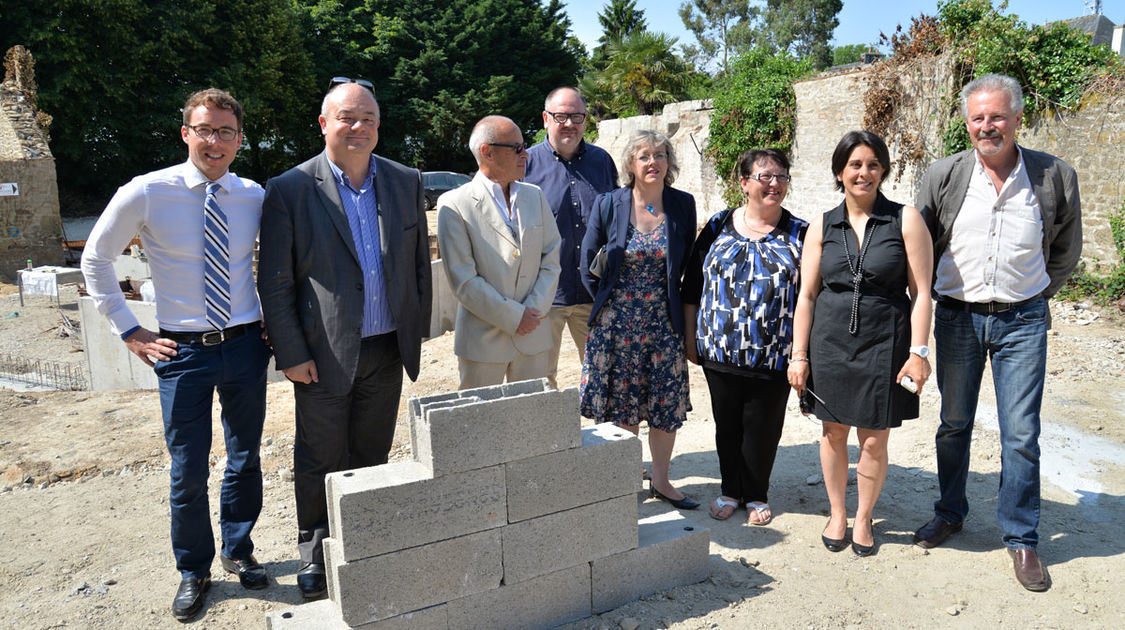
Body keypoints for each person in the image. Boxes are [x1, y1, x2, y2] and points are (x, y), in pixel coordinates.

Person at [80, 88, 272, 621]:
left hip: (246, 344)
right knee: (188, 468)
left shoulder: (253, 195)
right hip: (181, 351)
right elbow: (96, 260)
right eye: (205, 130)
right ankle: (194, 568)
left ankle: (238, 549)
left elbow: (279, 264)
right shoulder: (146, 192)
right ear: (186, 133)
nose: (215, 141)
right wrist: (129, 331)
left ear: (238, 139)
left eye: (226, 132)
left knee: (245, 456)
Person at [257, 78, 432, 599]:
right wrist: (290, 353)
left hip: (385, 348)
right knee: (321, 455)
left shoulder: (404, 180)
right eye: (348, 118)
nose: (359, 128)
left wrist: (413, 335)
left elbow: (417, 263)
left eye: (369, 119)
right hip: (322, 355)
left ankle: (362, 542)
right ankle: (316, 551)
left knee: (372, 451)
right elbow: (276, 279)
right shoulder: (290, 188)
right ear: (324, 124)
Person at [912, 74, 1082, 592]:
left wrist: (1034, 295)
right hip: (958, 317)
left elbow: (1066, 249)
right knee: (954, 421)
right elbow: (920, 242)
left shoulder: (1054, 175)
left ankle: (1022, 538)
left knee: (1022, 433)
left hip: (1023, 320)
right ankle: (950, 511)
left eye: (998, 116)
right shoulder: (942, 174)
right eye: (978, 118)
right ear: (967, 123)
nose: (988, 126)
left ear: (1017, 119)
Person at [788, 131, 933, 556]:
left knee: (873, 439)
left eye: (872, 164)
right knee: (833, 432)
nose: (863, 173)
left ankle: (865, 516)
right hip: (829, 342)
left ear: (883, 170)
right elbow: (807, 295)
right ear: (840, 172)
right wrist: (799, 355)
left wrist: (919, 353)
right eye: (854, 165)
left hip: (885, 342)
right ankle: (837, 512)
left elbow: (923, 292)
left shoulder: (905, 219)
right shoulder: (822, 224)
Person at [681, 148, 808, 525]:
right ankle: (729, 489)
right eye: (765, 176)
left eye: (781, 176)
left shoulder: (801, 232)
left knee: (764, 425)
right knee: (727, 423)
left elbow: (811, 294)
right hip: (719, 347)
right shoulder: (719, 224)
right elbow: (692, 286)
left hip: (774, 351)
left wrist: (802, 352)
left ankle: (756, 493)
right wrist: (691, 338)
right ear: (744, 183)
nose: (774, 184)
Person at [580, 129, 698, 510]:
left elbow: (690, 268)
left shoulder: (682, 205)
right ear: (631, 164)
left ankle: (661, 481)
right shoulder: (609, 203)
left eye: (660, 155)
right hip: (616, 325)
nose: (653, 162)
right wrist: (607, 306)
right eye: (644, 155)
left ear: (669, 163)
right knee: (622, 409)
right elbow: (587, 266)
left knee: (665, 407)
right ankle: (626, 481)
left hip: (663, 324)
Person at [436, 115, 562, 389]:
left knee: (532, 423)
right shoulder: (455, 205)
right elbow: (464, 280)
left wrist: (534, 312)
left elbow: (552, 257)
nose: (526, 154)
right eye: (516, 147)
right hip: (483, 343)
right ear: (487, 152)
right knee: (480, 426)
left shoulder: (535, 196)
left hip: (534, 338)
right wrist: (515, 317)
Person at [523, 87, 617, 389]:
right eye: (561, 116)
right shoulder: (525, 164)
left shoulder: (602, 161)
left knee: (603, 377)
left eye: (576, 116)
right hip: (543, 296)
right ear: (545, 119)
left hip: (595, 293)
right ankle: (546, 436)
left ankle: (602, 435)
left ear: (585, 120)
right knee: (539, 380)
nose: (569, 124)